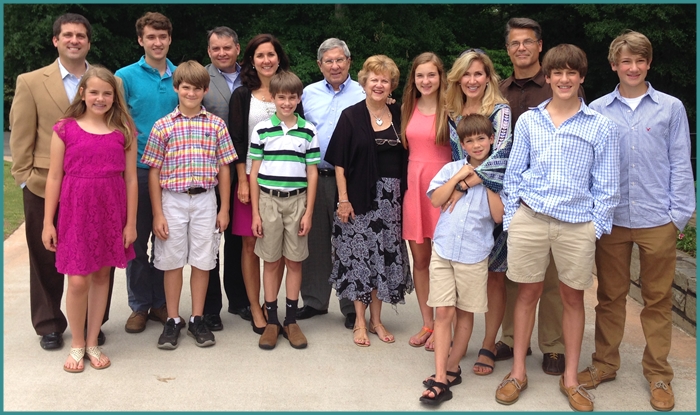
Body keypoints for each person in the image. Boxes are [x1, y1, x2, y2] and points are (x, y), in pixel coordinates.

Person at [495, 44, 620, 412]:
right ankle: (518, 371)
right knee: (527, 294)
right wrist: (513, 218)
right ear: (546, 77)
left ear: (581, 78)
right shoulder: (530, 120)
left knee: (571, 298)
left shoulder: (600, 126)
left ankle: (570, 379)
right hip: (531, 219)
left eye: (571, 73)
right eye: (557, 73)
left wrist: (593, 228)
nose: (564, 79)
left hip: (577, 224)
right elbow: (514, 174)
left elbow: (607, 185)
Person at [576, 31, 695, 412]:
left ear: (649, 63)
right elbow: (589, 166)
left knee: (658, 300)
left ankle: (658, 373)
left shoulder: (671, 108)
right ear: (614, 65)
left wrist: (680, 214)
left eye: (639, 61)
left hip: (657, 217)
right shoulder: (596, 109)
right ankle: (605, 364)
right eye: (625, 61)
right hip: (611, 219)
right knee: (609, 297)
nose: (633, 67)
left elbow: (681, 162)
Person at [9, 13, 112, 350]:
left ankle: (90, 326)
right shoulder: (30, 81)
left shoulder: (105, 82)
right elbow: (21, 136)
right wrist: (24, 179)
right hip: (44, 183)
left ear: (88, 42)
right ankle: (50, 322)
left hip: (95, 187)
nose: (74, 40)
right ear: (56, 40)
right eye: (67, 35)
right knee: (47, 257)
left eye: (81, 35)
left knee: (96, 258)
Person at [497, 17, 584, 375]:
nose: (521, 48)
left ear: (539, 45)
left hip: (552, 199)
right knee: (513, 273)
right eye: (515, 43)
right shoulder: (498, 89)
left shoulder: (557, 85)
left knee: (551, 280)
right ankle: (510, 338)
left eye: (528, 42)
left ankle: (553, 345)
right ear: (508, 49)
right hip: (505, 192)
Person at [42, 66, 137, 372]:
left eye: (107, 93)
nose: (100, 98)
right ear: (82, 93)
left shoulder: (124, 129)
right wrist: (48, 222)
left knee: (100, 276)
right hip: (75, 211)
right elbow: (55, 177)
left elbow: (132, 179)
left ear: (114, 96)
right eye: (94, 92)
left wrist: (130, 223)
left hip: (111, 209)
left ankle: (93, 340)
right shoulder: (65, 128)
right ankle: (77, 342)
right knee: (78, 280)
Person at [141, 60, 238, 349]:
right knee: (171, 261)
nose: (192, 93)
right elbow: (154, 170)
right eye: (186, 88)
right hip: (172, 200)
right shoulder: (163, 126)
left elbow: (224, 167)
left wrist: (224, 208)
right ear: (176, 88)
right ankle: (173, 319)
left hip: (206, 199)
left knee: (203, 260)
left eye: (197, 88)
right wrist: (157, 212)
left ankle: (197, 317)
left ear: (205, 90)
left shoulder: (216, 125)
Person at [325, 55, 413, 347]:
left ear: (392, 86)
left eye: (384, 80)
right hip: (359, 198)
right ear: (364, 82)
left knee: (382, 258)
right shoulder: (351, 115)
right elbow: (339, 162)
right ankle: (360, 322)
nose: (378, 84)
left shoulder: (399, 113)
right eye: (374, 79)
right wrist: (344, 200)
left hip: (392, 202)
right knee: (359, 259)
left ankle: (377, 320)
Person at [419, 114, 504, 405]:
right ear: (462, 144)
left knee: (465, 313)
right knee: (443, 313)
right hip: (443, 250)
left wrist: (486, 182)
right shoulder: (451, 168)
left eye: (482, 138)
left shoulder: (497, 175)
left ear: (492, 139)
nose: (477, 144)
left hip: (473, 254)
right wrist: (458, 178)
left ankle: (453, 366)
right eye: (470, 140)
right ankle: (441, 376)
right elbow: (435, 199)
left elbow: (498, 216)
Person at [228, 34, 303, 335]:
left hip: (286, 179)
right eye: (260, 55)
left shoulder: (290, 92)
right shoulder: (242, 95)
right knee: (249, 243)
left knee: (282, 248)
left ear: (278, 57)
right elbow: (237, 140)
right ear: (250, 60)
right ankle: (255, 306)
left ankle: (278, 307)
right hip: (251, 178)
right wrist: (242, 181)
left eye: (271, 54)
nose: (266, 60)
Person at [444, 49, 513, 373]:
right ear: (458, 78)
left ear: (488, 77)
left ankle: (488, 344)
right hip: (462, 210)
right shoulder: (452, 113)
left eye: (478, 74)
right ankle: (458, 343)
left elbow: (500, 156)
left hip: (491, 198)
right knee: (461, 273)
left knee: (494, 277)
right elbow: (455, 156)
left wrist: (462, 185)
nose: (472, 80)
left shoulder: (500, 111)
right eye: (466, 74)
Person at [115, 11, 178, 333]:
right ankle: (140, 305)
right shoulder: (123, 77)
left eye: (162, 37)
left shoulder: (181, 77)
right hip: (138, 171)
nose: (157, 42)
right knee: (137, 243)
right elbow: (116, 125)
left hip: (176, 174)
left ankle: (162, 303)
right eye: (151, 37)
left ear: (169, 39)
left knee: (167, 243)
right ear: (141, 40)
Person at [297, 38, 365, 329]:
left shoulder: (364, 91)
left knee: (350, 241)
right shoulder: (308, 93)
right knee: (315, 240)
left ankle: (351, 306)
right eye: (329, 61)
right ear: (319, 65)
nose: (335, 66)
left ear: (349, 62)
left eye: (340, 60)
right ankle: (314, 300)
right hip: (316, 175)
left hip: (352, 178)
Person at [249, 71, 320, 350]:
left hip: (297, 201)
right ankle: (272, 321)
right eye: (282, 97)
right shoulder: (262, 129)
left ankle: (291, 320)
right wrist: (255, 213)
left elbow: (312, 173)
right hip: (268, 201)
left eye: (292, 97)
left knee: (294, 261)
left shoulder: (308, 130)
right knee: (271, 261)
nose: (287, 102)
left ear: (299, 98)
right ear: (273, 98)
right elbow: (254, 173)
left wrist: (309, 212)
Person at [400, 52, 452, 350]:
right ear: (414, 79)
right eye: (420, 75)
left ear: (440, 77)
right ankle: (428, 323)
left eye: (431, 75)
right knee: (421, 261)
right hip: (414, 190)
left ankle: (446, 325)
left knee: (446, 261)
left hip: (445, 191)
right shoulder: (407, 107)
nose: (426, 80)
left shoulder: (451, 108)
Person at [201, 26, 250, 331]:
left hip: (245, 169)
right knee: (210, 237)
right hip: (210, 168)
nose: (222, 53)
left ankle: (240, 298)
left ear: (237, 48)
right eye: (216, 49)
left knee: (237, 237)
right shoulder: (200, 78)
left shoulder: (253, 77)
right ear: (209, 51)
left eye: (227, 48)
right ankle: (210, 307)